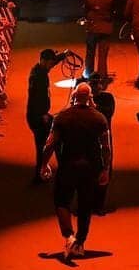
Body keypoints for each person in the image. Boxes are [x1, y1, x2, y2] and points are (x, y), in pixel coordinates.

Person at [38, 83, 111, 259]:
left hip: (68, 165)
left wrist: (43, 164)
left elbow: (50, 144)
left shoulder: (62, 117)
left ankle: (69, 235)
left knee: (61, 201)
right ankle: (80, 243)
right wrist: (105, 169)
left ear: (74, 96)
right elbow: (106, 147)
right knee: (85, 205)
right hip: (90, 168)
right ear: (90, 98)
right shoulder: (100, 118)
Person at [27, 48, 69, 182]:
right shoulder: (37, 77)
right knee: (43, 146)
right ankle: (39, 175)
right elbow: (34, 98)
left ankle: (55, 170)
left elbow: (54, 61)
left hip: (41, 115)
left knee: (54, 140)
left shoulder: (41, 69)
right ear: (44, 61)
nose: (52, 66)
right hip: (38, 117)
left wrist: (63, 55)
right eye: (50, 63)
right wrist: (42, 115)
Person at [89, 74, 116, 215]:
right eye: (92, 84)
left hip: (103, 138)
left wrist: (93, 105)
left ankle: (99, 205)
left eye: (96, 84)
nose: (94, 87)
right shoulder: (83, 98)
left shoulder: (107, 98)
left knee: (105, 170)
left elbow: (107, 113)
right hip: (87, 140)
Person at [82, 0, 114, 81]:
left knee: (90, 53)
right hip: (105, 28)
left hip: (93, 28)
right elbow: (112, 11)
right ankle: (102, 75)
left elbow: (86, 11)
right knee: (102, 54)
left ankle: (88, 74)